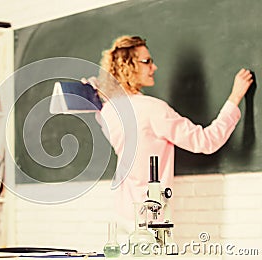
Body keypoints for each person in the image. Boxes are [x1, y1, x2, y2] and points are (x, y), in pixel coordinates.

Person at [88, 35, 253, 233]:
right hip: (151, 223)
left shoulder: (109, 112)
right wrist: (235, 97)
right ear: (128, 66)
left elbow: (103, 111)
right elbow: (206, 141)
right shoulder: (152, 109)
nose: (154, 67)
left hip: (123, 219)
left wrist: (96, 93)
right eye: (147, 61)